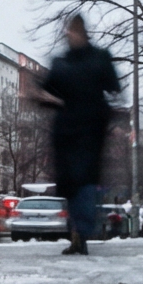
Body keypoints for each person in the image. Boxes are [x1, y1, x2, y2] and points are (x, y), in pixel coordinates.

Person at [32, 13, 120, 256]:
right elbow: (47, 93)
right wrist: (39, 95)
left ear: (81, 33)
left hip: (90, 130)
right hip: (67, 131)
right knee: (71, 184)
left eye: (73, 31)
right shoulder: (62, 63)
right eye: (68, 32)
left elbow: (113, 86)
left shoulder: (98, 58)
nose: (70, 36)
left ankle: (82, 232)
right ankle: (78, 235)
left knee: (84, 181)